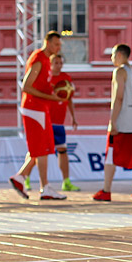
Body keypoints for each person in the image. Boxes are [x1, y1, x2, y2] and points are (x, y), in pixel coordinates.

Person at [8, 31, 69, 200]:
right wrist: (53, 97)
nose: (58, 47)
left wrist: (55, 92)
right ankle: (45, 187)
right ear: (47, 42)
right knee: (42, 149)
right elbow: (26, 86)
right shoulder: (38, 59)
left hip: (40, 109)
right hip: (34, 108)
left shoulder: (46, 61)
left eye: (59, 45)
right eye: (56, 44)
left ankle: (21, 177)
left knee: (41, 147)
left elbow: (39, 86)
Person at [92, 44, 132, 202]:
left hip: (124, 121)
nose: (111, 58)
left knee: (111, 155)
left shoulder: (119, 72)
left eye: (112, 55)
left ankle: (106, 190)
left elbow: (119, 97)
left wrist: (112, 121)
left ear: (119, 55)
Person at [46, 54, 79, 192]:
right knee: (38, 152)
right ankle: (26, 178)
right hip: (46, 121)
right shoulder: (46, 78)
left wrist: (73, 117)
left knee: (62, 150)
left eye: (60, 62)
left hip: (59, 122)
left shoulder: (66, 78)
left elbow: (69, 99)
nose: (59, 65)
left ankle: (66, 181)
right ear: (50, 63)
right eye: (56, 62)